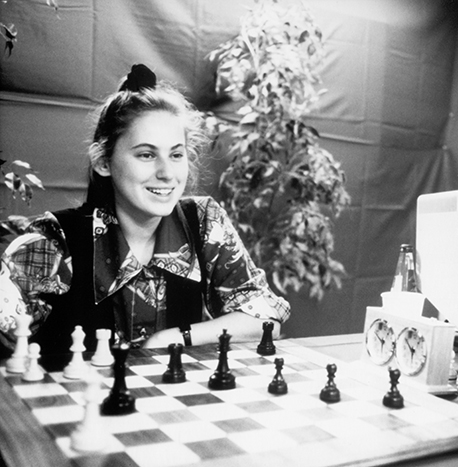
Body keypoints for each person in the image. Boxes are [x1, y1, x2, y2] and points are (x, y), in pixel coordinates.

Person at [0, 64, 290, 357]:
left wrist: (175, 337)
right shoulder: (55, 240)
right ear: (103, 162)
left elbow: (266, 317)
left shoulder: (203, 222)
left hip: (175, 401)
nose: (166, 173)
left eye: (176, 154)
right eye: (147, 155)